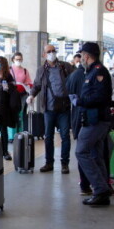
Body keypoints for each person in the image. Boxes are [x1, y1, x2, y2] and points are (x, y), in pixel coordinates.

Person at [72, 42, 113, 206]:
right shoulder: (92, 71)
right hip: (94, 119)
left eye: (82, 55)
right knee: (96, 154)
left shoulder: (98, 72)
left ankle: (100, 189)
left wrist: (80, 101)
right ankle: (103, 189)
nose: (81, 58)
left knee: (81, 151)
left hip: (95, 120)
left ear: (86, 56)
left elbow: (100, 97)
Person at [27, 44, 74, 173]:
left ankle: (65, 163)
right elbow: (36, 85)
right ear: (44, 54)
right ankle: (49, 163)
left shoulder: (65, 67)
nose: (52, 53)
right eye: (49, 51)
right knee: (48, 136)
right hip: (48, 108)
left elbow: (75, 80)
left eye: (53, 51)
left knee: (65, 136)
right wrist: (31, 95)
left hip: (64, 107)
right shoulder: (41, 70)